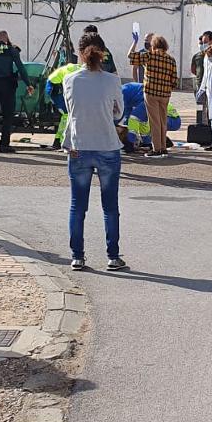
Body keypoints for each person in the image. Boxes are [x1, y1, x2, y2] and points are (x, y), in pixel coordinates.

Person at [62, 32, 125, 272]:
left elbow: (70, 109)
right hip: (107, 145)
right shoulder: (112, 80)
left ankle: (77, 256)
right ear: (103, 53)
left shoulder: (70, 79)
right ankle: (113, 256)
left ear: (80, 53)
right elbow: (118, 113)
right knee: (110, 206)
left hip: (78, 145)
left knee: (78, 205)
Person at [126, 32, 178, 158]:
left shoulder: (149, 56)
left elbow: (130, 56)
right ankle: (163, 148)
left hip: (151, 93)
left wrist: (135, 42)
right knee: (162, 121)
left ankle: (157, 149)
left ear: (153, 45)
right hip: (165, 94)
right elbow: (174, 80)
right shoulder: (171, 60)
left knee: (154, 121)